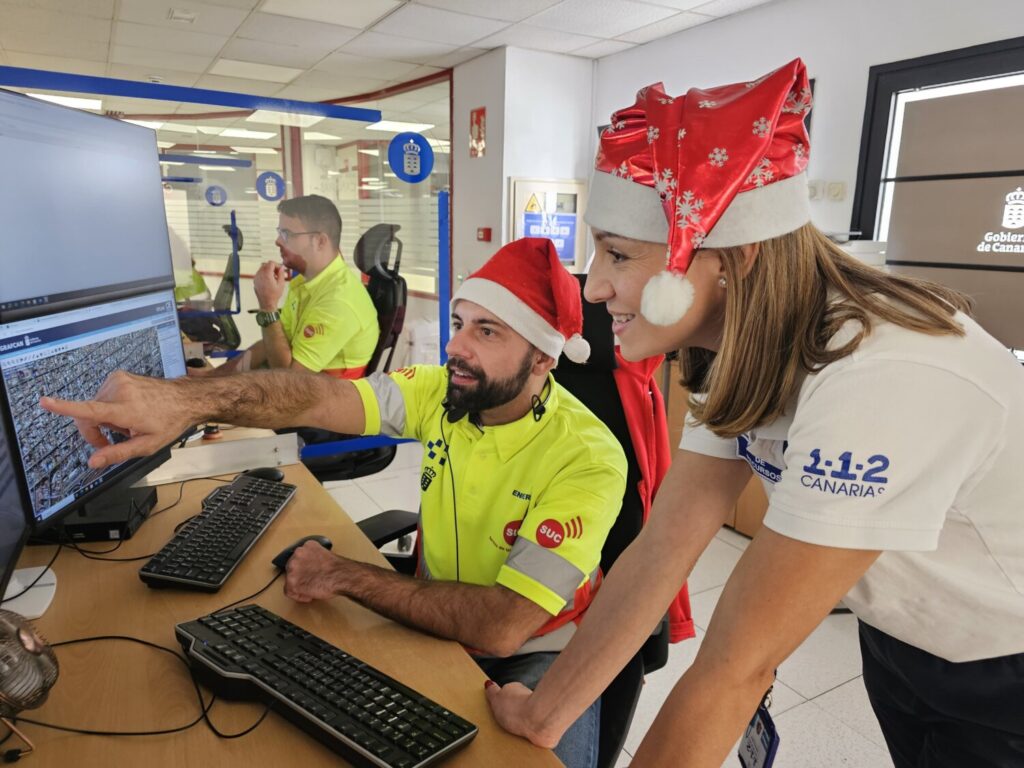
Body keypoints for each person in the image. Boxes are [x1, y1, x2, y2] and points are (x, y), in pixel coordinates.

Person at [483, 58, 1024, 767]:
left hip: (1002, 659)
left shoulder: (880, 378)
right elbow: (662, 549)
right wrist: (545, 714)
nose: (597, 285)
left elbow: (737, 666)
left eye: (617, 253)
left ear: (729, 262)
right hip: (906, 629)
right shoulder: (741, 344)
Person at [41, 238, 627, 768]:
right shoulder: (440, 392)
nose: (455, 346)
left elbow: (502, 626)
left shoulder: (589, 458)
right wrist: (186, 401)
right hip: (441, 625)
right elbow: (313, 396)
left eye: (488, 332)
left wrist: (347, 575)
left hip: (538, 650)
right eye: (459, 322)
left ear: (544, 359)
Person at [205, 194, 379, 379]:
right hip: (303, 392)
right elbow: (268, 346)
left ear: (320, 241)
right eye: (279, 232)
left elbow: (289, 381)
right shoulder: (304, 283)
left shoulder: (340, 301)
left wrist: (268, 305)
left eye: (287, 234)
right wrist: (212, 377)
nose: (278, 241)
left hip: (321, 401)